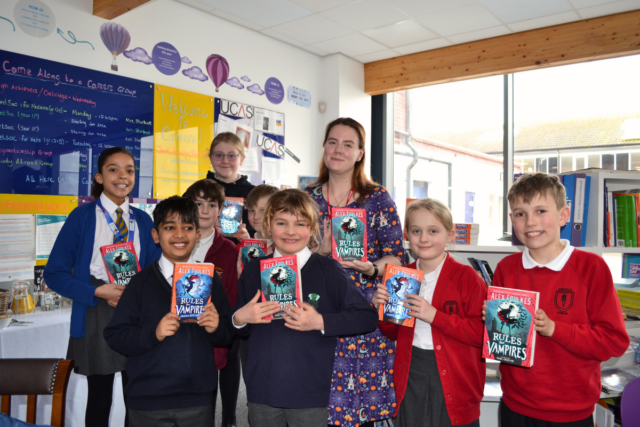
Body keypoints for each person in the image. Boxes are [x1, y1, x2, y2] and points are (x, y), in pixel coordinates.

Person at [485, 173, 629, 426]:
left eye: (541, 211)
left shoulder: (591, 268)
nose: (530, 221)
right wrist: (491, 324)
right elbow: (506, 344)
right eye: (520, 213)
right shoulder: (506, 268)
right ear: (512, 221)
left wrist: (555, 329)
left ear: (564, 215)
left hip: (570, 412)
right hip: (514, 405)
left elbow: (614, 342)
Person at [231, 189, 378, 427]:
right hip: (262, 391)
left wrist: (320, 322)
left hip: (311, 392)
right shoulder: (254, 269)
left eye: (300, 224)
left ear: (312, 229)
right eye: (281, 223)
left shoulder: (328, 270)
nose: (290, 231)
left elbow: (367, 318)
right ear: (268, 225)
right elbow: (237, 327)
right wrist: (240, 318)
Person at [44, 147, 161, 427]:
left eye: (129, 170)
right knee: (100, 397)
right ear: (98, 177)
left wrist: (142, 296)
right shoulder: (81, 217)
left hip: (137, 313)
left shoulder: (143, 220)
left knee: (138, 394)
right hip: (97, 311)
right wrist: (97, 291)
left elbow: (157, 268)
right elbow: (54, 273)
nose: (123, 176)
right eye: (113, 169)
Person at [304, 117, 404, 426]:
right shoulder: (306, 198)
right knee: (314, 402)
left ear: (360, 153)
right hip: (316, 307)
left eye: (348, 145)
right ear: (323, 147)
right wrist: (317, 252)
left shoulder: (377, 199)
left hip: (363, 312)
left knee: (361, 404)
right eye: (332, 142)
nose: (338, 150)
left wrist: (372, 268)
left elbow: (397, 258)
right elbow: (288, 253)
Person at [104, 196, 232, 427]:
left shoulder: (210, 279)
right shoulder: (140, 283)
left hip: (197, 397)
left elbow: (228, 334)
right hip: (147, 400)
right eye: (170, 227)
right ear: (156, 235)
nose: (180, 235)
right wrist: (154, 333)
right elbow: (116, 335)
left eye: (188, 228)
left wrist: (216, 328)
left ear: (198, 234)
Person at [373, 199, 486, 427]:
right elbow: (393, 332)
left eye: (433, 231)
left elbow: (481, 334)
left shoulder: (468, 278)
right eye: (416, 231)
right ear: (406, 235)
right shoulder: (402, 276)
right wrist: (381, 310)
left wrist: (434, 316)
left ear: (450, 234)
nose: (423, 238)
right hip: (412, 372)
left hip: (455, 376)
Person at [184, 179, 241, 427]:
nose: (205, 210)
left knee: (216, 395)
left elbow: (231, 294)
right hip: (180, 329)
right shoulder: (175, 242)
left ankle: (228, 419)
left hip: (216, 329)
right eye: (198, 204)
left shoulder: (230, 249)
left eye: (211, 204)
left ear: (220, 209)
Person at [206, 132, 255, 244]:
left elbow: (266, 232)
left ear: (242, 159)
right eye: (219, 155)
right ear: (211, 158)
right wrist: (204, 228)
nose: (225, 161)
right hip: (204, 256)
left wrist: (249, 241)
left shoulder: (254, 194)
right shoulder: (198, 191)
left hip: (242, 256)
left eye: (231, 156)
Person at [235, 184, 279, 272]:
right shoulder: (240, 249)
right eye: (252, 211)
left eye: (263, 210)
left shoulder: (285, 248)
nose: (256, 216)